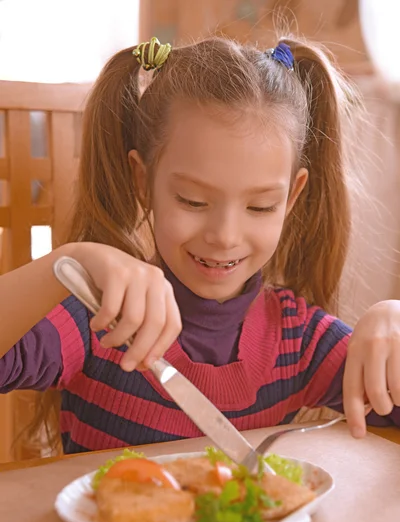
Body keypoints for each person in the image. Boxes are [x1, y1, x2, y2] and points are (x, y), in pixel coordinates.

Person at [0, 36, 399, 455]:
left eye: (260, 206)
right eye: (193, 201)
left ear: (292, 197)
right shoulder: (100, 317)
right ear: (144, 180)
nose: (224, 235)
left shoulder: (300, 342)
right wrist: (65, 262)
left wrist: (392, 319)